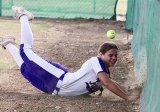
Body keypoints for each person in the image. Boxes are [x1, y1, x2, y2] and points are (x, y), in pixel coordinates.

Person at [0, 6, 141, 100]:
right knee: (26, 51)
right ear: (101, 54)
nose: (114, 58)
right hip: (57, 76)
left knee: (25, 69)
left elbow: (109, 81)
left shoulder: (104, 73)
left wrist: (127, 91)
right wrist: (128, 97)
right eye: (111, 55)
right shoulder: (96, 62)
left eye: (116, 55)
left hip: (51, 89)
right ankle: (23, 16)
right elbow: (108, 83)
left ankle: (8, 43)